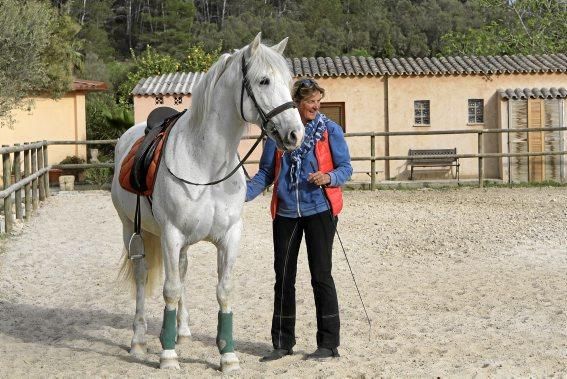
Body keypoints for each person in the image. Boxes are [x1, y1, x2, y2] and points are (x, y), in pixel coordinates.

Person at [246, 78, 352, 361]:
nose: (315, 106)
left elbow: (346, 168)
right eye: (310, 102)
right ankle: (282, 342)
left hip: (320, 210)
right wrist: (241, 194)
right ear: (297, 103)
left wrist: (328, 177)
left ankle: (328, 344)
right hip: (286, 214)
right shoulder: (277, 135)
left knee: (321, 276)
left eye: (318, 101)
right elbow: (265, 174)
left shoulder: (330, 130)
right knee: (283, 278)